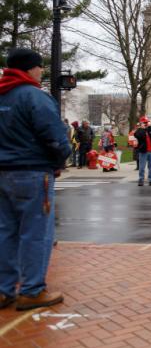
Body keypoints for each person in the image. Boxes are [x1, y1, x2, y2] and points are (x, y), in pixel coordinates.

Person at [0, 48, 71, 310]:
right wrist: (60, 160)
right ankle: (31, 290)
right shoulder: (34, 97)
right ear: (30, 68)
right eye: (40, 67)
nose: (42, 71)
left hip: (2, 172)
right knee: (36, 233)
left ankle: (3, 289)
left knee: (4, 232)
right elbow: (55, 137)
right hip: (32, 172)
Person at [133, 116, 151, 186]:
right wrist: (143, 128)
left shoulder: (150, 129)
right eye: (144, 122)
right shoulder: (139, 131)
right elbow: (138, 135)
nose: (146, 124)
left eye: (147, 122)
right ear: (141, 123)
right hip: (143, 151)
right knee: (142, 167)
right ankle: (141, 180)